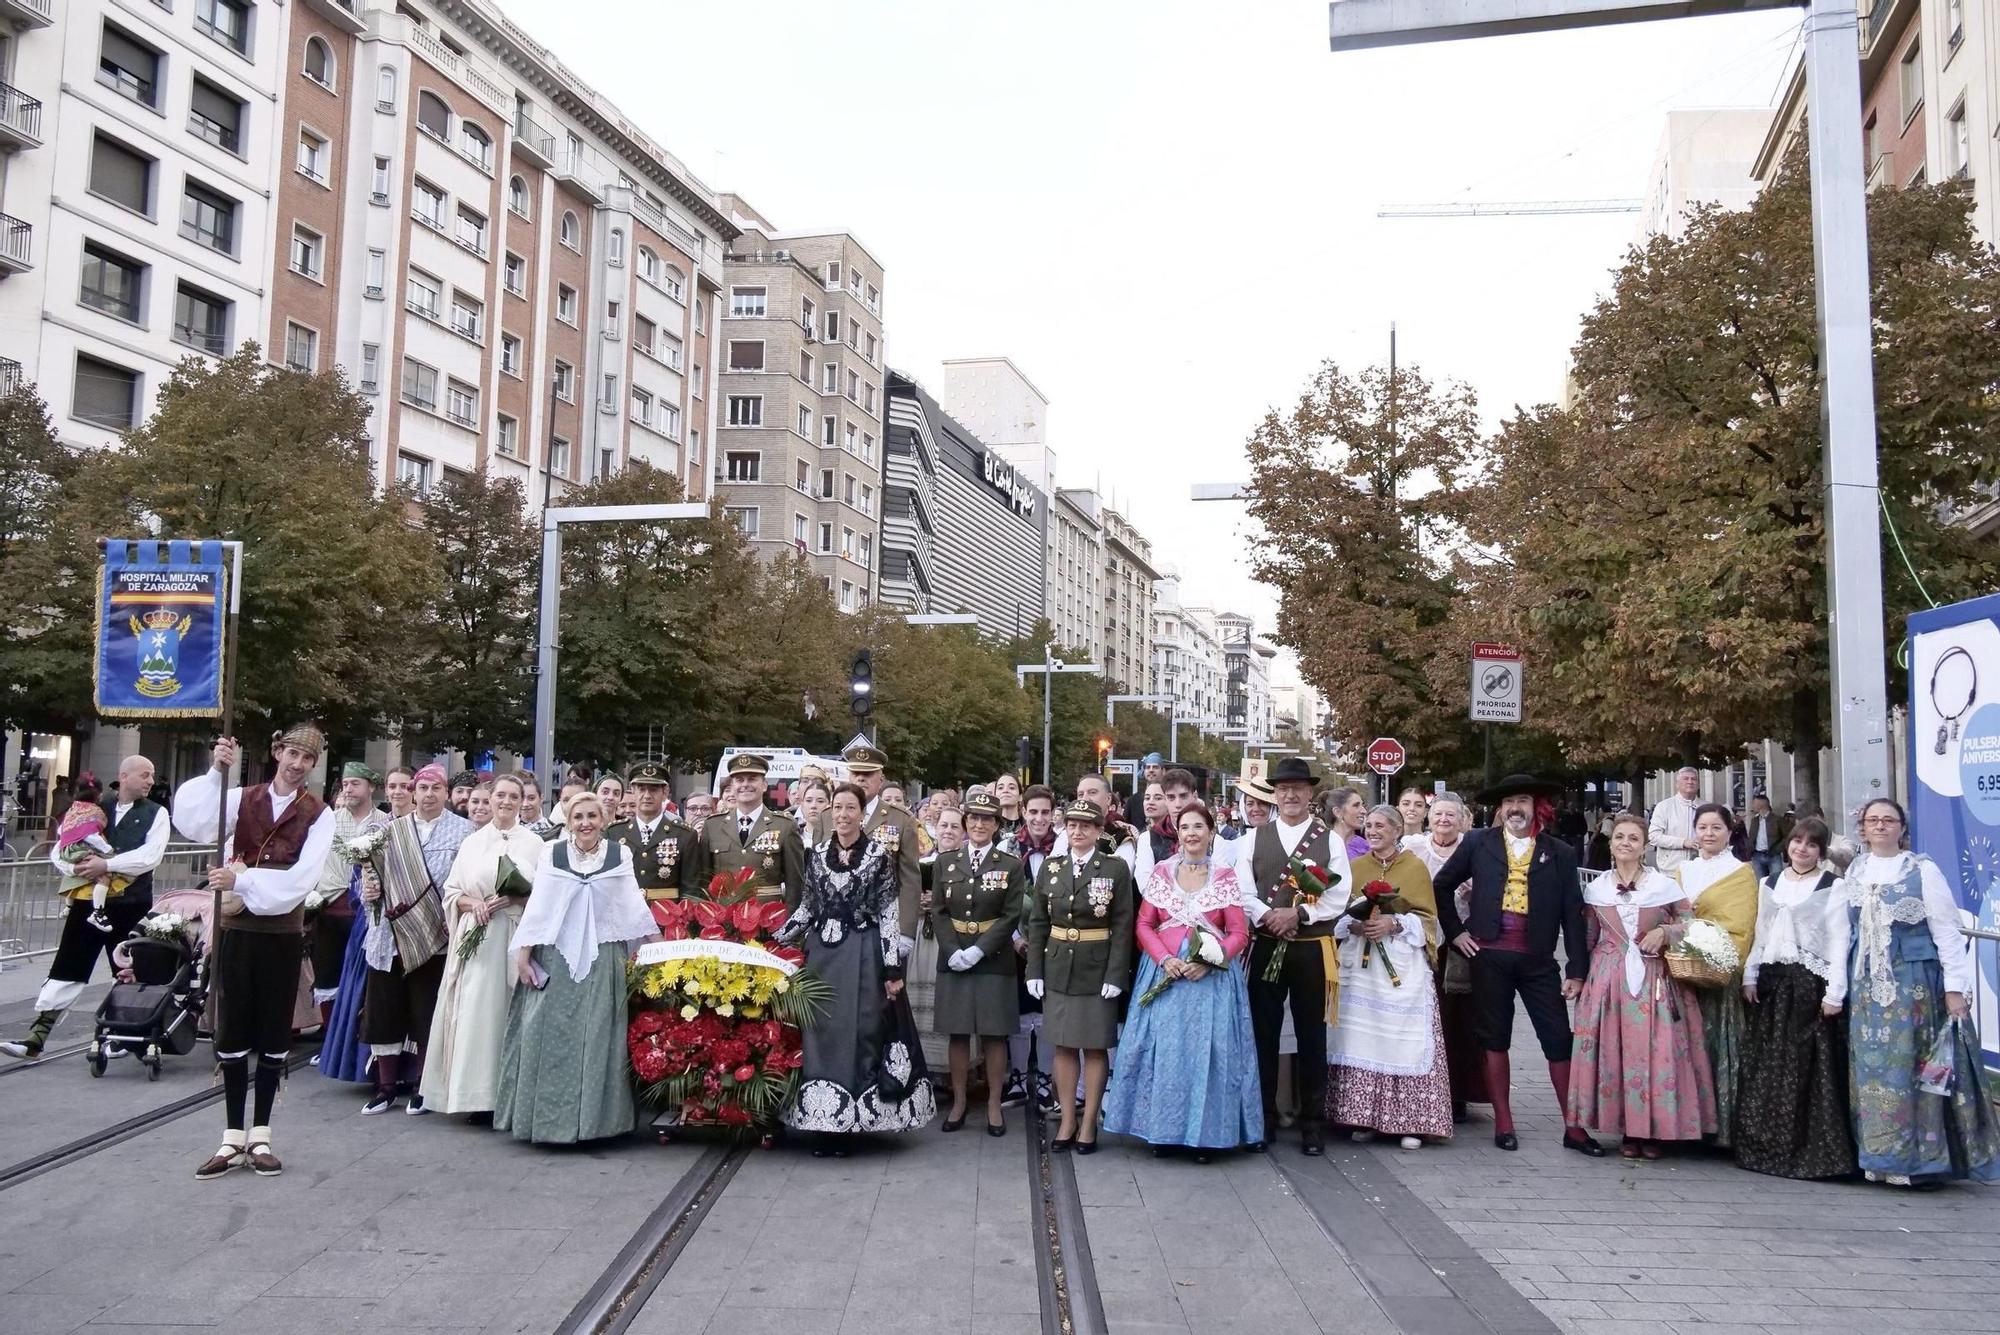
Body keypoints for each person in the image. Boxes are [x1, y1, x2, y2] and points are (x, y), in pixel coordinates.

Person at [175, 729, 336, 1180]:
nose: (298, 762)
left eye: (307, 757)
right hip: (238, 930)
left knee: (272, 1030)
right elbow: (197, 822)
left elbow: (303, 877)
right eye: (292, 753)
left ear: (313, 764)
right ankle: (231, 1138)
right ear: (277, 753)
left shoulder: (319, 814)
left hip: (281, 932)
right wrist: (215, 769)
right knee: (232, 1029)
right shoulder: (243, 796)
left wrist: (242, 881)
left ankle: (261, 1134)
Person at [1432, 774, 1602, 1156]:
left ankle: (1573, 1127)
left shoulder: (1558, 852)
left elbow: (1573, 914)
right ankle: (1504, 1122)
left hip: (1539, 958)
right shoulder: (1479, 843)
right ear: (1500, 809)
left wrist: (1577, 969)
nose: (1515, 809)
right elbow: (1442, 886)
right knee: (1494, 1037)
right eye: (1509, 802)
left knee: (1558, 1038)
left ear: (1537, 807)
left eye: (1522, 801)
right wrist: (1457, 932)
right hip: (1489, 955)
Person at [1841, 798, 2000, 1186]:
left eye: (1888, 820)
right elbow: (1846, 931)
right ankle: (1877, 1156)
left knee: (1913, 1070)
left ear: (1902, 827)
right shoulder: (1857, 869)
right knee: (1870, 1072)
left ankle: (1916, 1160)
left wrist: (1955, 988)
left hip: (1913, 983)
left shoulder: (1922, 870)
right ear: (1863, 827)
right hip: (1866, 988)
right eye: (1872, 820)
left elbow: (1946, 932)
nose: (1880, 826)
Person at [778, 782, 936, 1150]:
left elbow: (888, 913)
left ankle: (853, 1123)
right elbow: (806, 908)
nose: (844, 815)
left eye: (851, 808)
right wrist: (775, 939)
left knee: (860, 1030)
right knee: (821, 1033)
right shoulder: (815, 854)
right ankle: (822, 1120)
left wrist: (892, 966)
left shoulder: (878, 855)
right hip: (822, 958)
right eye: (838, 808)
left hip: (863, 953)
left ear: (862, 814)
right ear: (830, 812)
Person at [1102, 802, 1260, 1160]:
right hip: (1166, 974)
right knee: (1166, 1053)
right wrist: (1165, 958)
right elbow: (1143, 924)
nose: (1191, 833)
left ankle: (1207, 1136)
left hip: (1211, 982)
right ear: (1177, 832)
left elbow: (1238, 933)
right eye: (1185, 827)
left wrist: (1210, 959)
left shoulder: (1224, 876)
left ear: (1210, 832)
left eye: (1198, 827)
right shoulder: (1161, 872)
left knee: (1209, 1055)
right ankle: (1163, 1130)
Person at [495, 792, 653, 1145]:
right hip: (556, 954)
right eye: (578, 816)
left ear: (604, 820)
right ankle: (548, 1122)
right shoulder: (553, 853)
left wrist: (652, 948)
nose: (585, 823)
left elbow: (630, 905)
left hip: (604, 955)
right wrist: (523, 954)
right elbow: (540, 906)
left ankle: (597, 1125)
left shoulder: (619, 854)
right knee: (550, 1034)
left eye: (592, 816)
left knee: (599, 1034)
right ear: (567, 821)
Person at [1567, 813, 1716, 1159]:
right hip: (1609, 978)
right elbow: (1589, 936)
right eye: (1620, 837)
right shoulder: (1597, 887)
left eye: (1633, 838)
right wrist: (1581, 979)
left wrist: (1665, 932)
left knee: (1656, 1051)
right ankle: (1626, 1131)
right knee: (1615, 1051)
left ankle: (1656, 1131)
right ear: (1611, 843)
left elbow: (1691, 924)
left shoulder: (1663, 886)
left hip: (1654, 978)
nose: (1625, 844)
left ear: (1645, 846)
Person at [1, 755, 169, 1060]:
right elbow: (61, 846)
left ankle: (128, 1037)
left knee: (130, 969)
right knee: (68, 965)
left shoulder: (156, 813)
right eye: (145, 775)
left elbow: (150, 856)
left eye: (152, 776)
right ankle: (36, 1039)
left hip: (132, 903)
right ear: (124, 776)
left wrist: (107, 863)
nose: (150, 781)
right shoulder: (92, 807)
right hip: (87, 901)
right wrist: (73, 868)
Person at [1236, 757, 1351, 1155]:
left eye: (1297, 789)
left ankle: (1312, 1124)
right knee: (1263, 1035)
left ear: (1309, 794)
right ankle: (1264, 1119)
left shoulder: (1329, 839)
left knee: (1312, 1036)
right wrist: (1268, 915)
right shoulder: (1253, 838)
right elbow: (1243, 889)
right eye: (1283, 789)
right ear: (1275, 794)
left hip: (1312, 949)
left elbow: (1338, 893)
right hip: (1267, 944)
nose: (1290, 795)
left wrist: (1299, 913)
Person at [1733, 816, 1855, 1179]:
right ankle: (1765, 1147)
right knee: (1767, 1066)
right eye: (1797, 842)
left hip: (1808, 985)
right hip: (1772, 981)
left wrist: (1835, 992)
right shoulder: (1770, 882)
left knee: (1808, 1068)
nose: (1802, 849)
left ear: (1821, 851)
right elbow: (1762, 932)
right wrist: (1750, 975)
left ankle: (1808, 1153)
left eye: (1812, 844)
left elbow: (1838, 941)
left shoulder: (1833, 886)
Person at [421, 772, 545, 1119]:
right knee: (477, 1013)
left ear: (523, 803)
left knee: (507, 1010)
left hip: (513, 935)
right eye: (500, 796)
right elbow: (452, 890)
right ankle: (475, 1096)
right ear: (490, 800)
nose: (505, 802)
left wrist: (513, 898)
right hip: (477, 935)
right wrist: (470, 904)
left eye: (513, 797)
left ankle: (510, 1094)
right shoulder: (472, 842)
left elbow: (542, 895)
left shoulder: (534, 845)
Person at [1327, 806, 1451, 1150]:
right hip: (1362, 966)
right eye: (1368, 825)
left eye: (1380, 825)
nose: (1373, 831)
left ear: (1398, 830)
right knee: (1363, 1039)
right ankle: (1366, 1117)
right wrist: (1353, 923)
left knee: (1401, 1039)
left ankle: (1409, 1121)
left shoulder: (1414, 867)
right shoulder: (1356, 867)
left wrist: (1394, 923)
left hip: (1401, 967)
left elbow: (1428, 920)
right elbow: (1339, 911)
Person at [358, 763, 471, 1116]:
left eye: (436, 788)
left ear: (447, 793)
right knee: (384, 1010)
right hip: (388, 936)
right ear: (412, 792)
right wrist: (369, 890)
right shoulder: (390, 832)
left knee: (427, 1012)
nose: (428, 795)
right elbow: (370, 880)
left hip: (433, 936)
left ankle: (423, 1086)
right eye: (422, 788)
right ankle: (385, 1086)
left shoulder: (464, 832)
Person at [1026, 798, 1135, 1153]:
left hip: (1096, 968)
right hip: (1058, 966)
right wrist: (1034, 970)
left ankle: (1089, 1123)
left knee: (1094, 1046)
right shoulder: (1052, 868)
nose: (1077, 831)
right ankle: (1068, 1120)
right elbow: (1039, 922)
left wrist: (1116, 974)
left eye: (1085, 826)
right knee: (1063, 1045)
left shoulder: (1114, 869)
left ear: (1099, 831)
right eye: (1072, 825)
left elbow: (1122, 926)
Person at [931, 792, 1027, 1136]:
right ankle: (958, 1102)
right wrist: (953, 949)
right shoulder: (946, 862)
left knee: (993, 1035)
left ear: (997, 825)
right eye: (973, 818)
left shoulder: (1010, 865)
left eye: (987, 819)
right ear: (965, 823)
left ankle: (992, 1104)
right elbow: (939, 910)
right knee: (957, 1034)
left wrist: (979, 950)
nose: (979, 824)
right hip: (954, 957)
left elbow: (1011, 914)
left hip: (993, 958)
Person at [1673, 803, 1757, 1150]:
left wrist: (1714, 953)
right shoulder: (1683, 870)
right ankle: (1683, 1123)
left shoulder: (1740, 873)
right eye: (1703, 827)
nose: (1708, 834)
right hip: (1683, 971)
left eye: (1716, 828)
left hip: (1718, 969)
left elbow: (1742, 925)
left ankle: (1719, 1126)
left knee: (1716, 1047)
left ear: (1729, 832)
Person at [1403, 793, 1486, 1119]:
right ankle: (1420, 1084)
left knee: (1457, 1019)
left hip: (1460, 941)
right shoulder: (1414, 847)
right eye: (1438, 814)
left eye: (1451, 815)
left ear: (1463, 819)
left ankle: (1457, 1093)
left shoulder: (1475, 849)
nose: (1443, 820)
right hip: (1420, 940)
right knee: (1423, 1016)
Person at [313, 765, 389, 1083]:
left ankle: (358, 1043)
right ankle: (330, 1040)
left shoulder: (385, 823)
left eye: (355, 783)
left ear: (371, 787)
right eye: (345, 784)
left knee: (361, 982)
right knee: (328, 979)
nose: (348, 789)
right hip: (329, 906)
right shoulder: (329, 819)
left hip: (364, 912)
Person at [1000, 783, 1061, 1116]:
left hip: (1056, 944)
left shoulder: (1063, 846)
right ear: (1023, 811)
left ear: (1053, 814)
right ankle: (1020, 1078)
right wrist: (1014, 939)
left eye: (1045, 812)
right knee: (1021, 1012)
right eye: (1033, 811)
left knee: (1048, 1011)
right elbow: (1000, 901)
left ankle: (1046, 1080)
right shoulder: (1008, 847)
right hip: (1017, 943)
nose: (1039, 818)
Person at [833, 745, 923, 952]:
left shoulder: (901, 819)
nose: (861, 779)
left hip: (882, 923)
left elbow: (909, 879)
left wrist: (906, 932)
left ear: (881, 780)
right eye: (856, 773)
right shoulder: (827, 816)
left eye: (868, 774)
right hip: (836, 921)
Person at [696, 753, 806, 908]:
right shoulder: (713, 826)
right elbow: (703, 882)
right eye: (739, 780)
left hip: (769, 920)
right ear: (732, 786)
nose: (745, 784)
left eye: (752, 779)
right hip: (723, 920)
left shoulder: (785, 826)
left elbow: (795, 885)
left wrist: (786, 927)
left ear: (765, 785)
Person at [607, 761, 701, 908]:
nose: (647, 795)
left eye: (653, 790)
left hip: (666, 918)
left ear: (665, 792)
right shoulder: (614, 832)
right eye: (641, 789)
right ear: (633, 791)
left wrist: (682, 924)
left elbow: (691, 890)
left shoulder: (685, 835)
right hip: (624, 915)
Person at [1649, 767, 1701, 874]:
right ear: (1677, 784)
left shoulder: (1707, 807)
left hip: (1700, 869)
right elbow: (1654, 837)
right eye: (1686, 779)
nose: (1690, 782)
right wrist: (1683, 842)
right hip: (1671, 870)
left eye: (1694, 779)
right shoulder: (1664, 806)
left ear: (1698, 784)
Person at [1743, 795, 1788, 884]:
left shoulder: (1777, 819)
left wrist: (1778, 849)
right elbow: (1751, 837)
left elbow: (1787, 836)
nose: (1753, 806)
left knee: (1775, 882)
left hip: (1773, 855)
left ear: (1761, 804)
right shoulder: (1754, 820)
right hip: (1757, 856)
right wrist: (1749, 849)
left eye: (1754, 803)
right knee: (1761, 883)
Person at [1325, 786, 1369, 861]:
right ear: (1338, 812)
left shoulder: (1366, 847)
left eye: (1363, 805)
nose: (1364, 811)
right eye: (1356, 805)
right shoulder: (1322, 844)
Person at [1124, 753, 1165, 829]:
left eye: (1155, 767)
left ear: (1163, 771)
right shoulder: (1133, 800)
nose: (1151, 770)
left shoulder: (1168, 797)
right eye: (1148, 767)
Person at [991, 772, 1025, 843]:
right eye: (1000, 788)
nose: (1005, 791)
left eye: (1011, 788)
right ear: (995, 795)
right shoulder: (989, 825)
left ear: (1020, 796)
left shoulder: (1028, 826)